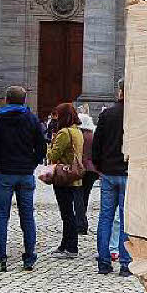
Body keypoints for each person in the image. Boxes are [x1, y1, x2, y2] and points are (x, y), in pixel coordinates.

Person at [0, 85, 47, 271]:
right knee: (27, 217)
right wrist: (32, 163)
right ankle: (29, 258)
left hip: (4, 173)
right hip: (25, 173)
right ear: (24, 100)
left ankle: (0, 259)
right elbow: (41, 147)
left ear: (7, 99)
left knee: (2, 216)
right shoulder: (32, 119)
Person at [92, 80, 131, 276]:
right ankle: (125, 263)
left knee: (105, 217)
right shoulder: (137, 115)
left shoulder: (106, 115)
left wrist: (99, 166)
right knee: (125, 219)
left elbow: (96, 145)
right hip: (127, 172)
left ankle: (104, 261)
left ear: (120, 92)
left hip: (108, 173)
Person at [47, 103, 84, 259]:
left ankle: (71, 247)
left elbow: (53, 156)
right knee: (69, 211)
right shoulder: (77, 131)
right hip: (74, 176)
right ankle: (64, 244)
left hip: (63, 177)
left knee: (67, 213)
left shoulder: (64, 132)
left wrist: (49, 145)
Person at [73, 112, 98, 235]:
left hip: (81, 169)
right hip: (92, 170)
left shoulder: (79, 135)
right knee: (85, 196)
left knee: (78, 196)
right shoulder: (93, 135)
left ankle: (80, 224)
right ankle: (82, 220)